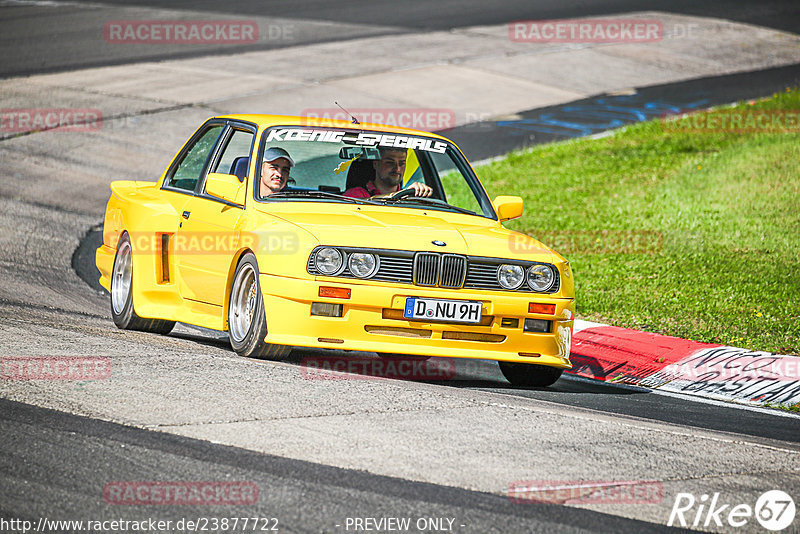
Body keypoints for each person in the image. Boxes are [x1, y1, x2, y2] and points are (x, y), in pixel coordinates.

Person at [343, 147, 433, 198]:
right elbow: (363, 202)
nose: (397, 169)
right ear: (375, 164)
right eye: (390, 163)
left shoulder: (411, 196)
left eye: (402, 163)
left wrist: (422, 191)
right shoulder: (356, 194)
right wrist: (397, 197)